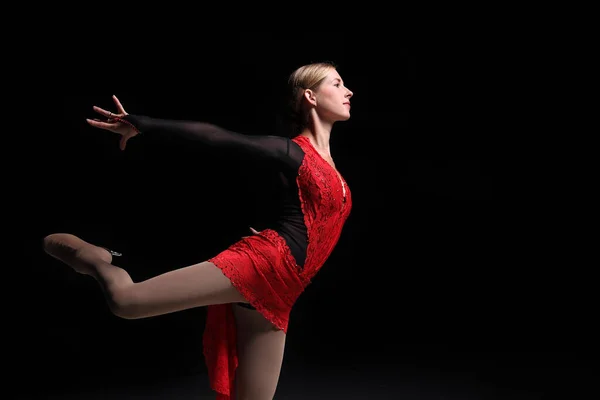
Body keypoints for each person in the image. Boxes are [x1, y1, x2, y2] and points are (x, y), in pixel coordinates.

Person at [43, 61, 353, 400]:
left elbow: (309, 217)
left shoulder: (331, 166)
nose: (348, 91)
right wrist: (144, 125)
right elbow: (220, 139)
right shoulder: (294, 151)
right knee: (126, 302)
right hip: (263, 267)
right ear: (309, 95)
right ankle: (98, 257)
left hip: (284, 293)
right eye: (337, 84)